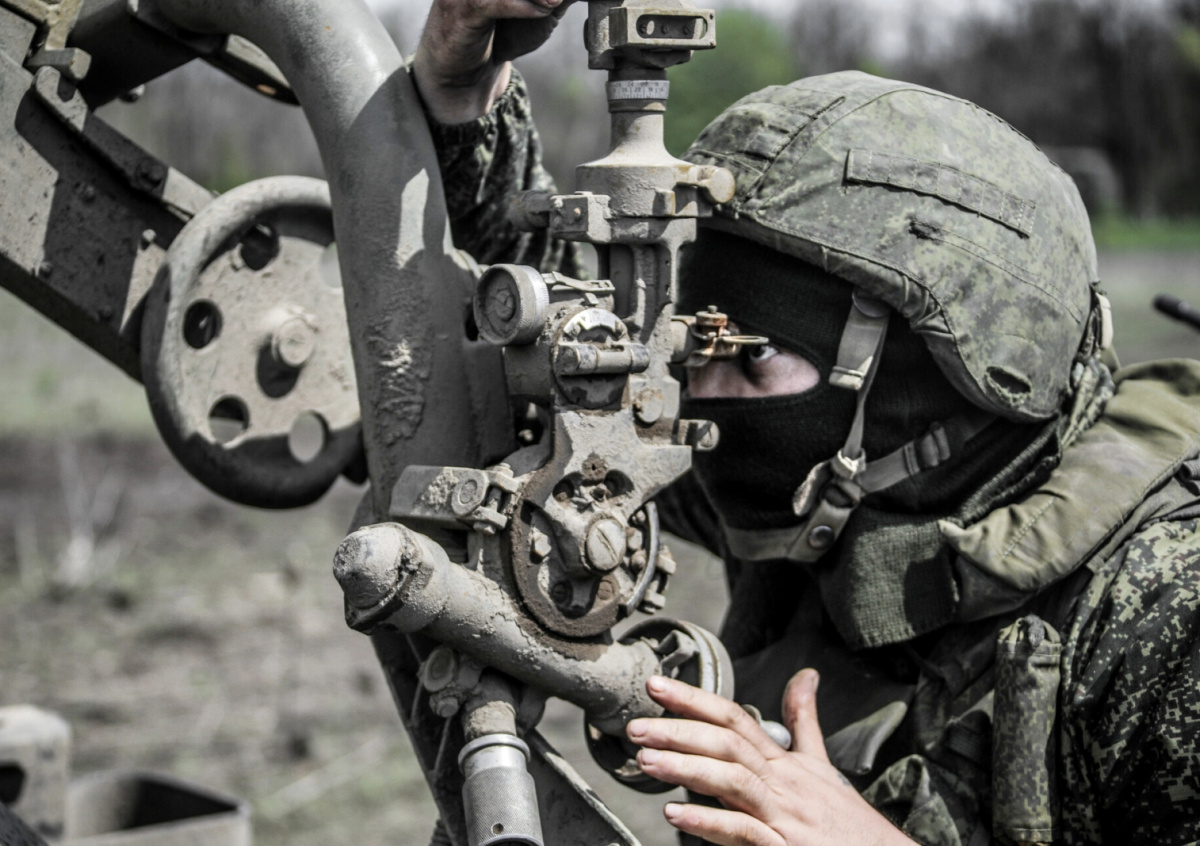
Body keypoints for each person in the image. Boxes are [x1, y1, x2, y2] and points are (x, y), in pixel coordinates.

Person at [412, 1, 1200, 844]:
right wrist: (466, 99)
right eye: (693, 352)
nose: (700, 401)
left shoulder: (1164, 615)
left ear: (924, 380)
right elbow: (572, 341)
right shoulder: (820, 496)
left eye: (747, 357)